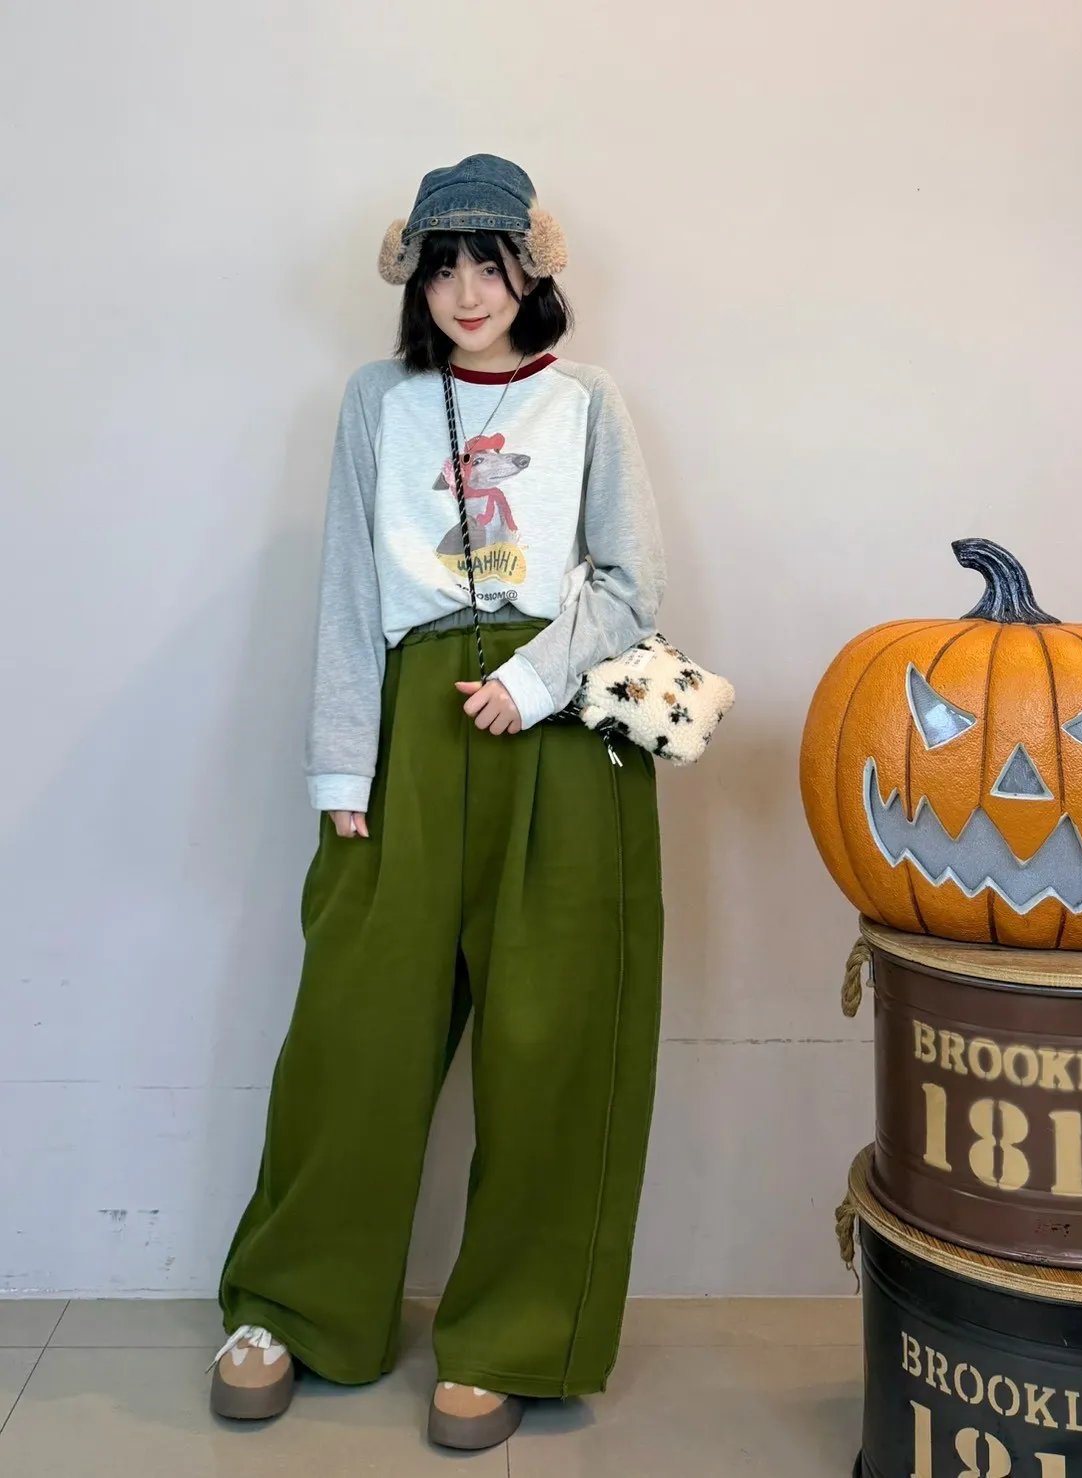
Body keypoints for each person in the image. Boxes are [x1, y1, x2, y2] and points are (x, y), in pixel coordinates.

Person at [209, 153, 666, 1452]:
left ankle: (513, 1334)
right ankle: (295, 1303)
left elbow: (632, 584)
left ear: (533, 271)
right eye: (445, 265)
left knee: (553, 1041)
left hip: (560, 731)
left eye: (493, 263)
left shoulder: (588, 402)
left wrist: (528, 682)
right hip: (409, 723)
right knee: (353, 1031)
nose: (469, 291)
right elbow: (352, 588)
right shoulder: (380, 401)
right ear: (417, 281)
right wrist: (342, 767)